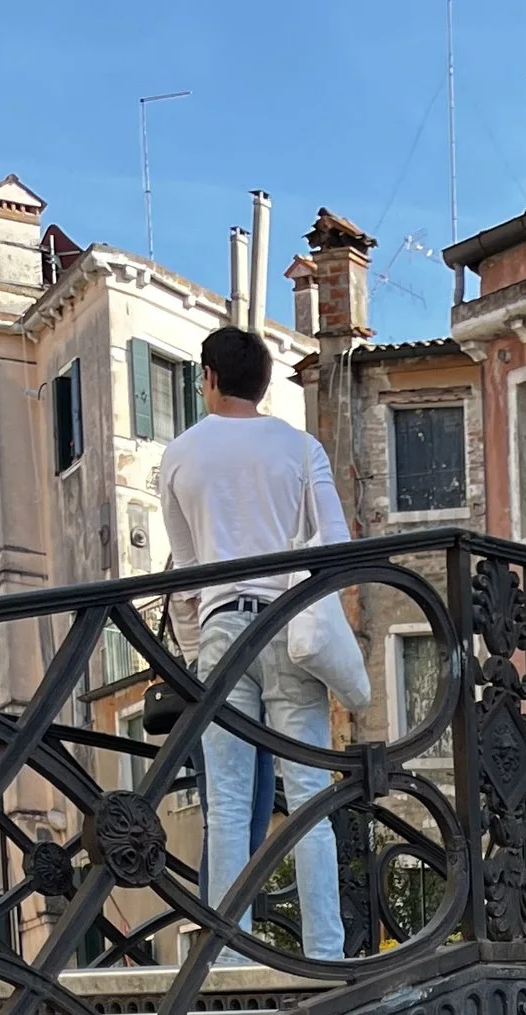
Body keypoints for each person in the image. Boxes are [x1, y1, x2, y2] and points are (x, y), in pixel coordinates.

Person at [156, 324, 351, 958]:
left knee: (228, 804)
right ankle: (324, 953)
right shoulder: (300, 448)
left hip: (221, 630)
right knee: (309, 800)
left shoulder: (180, 454)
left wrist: (195, 655)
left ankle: (228, 958)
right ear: (264, 384)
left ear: (209, 378)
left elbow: (186, 575)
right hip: (288, 623)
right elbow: (337, 543)